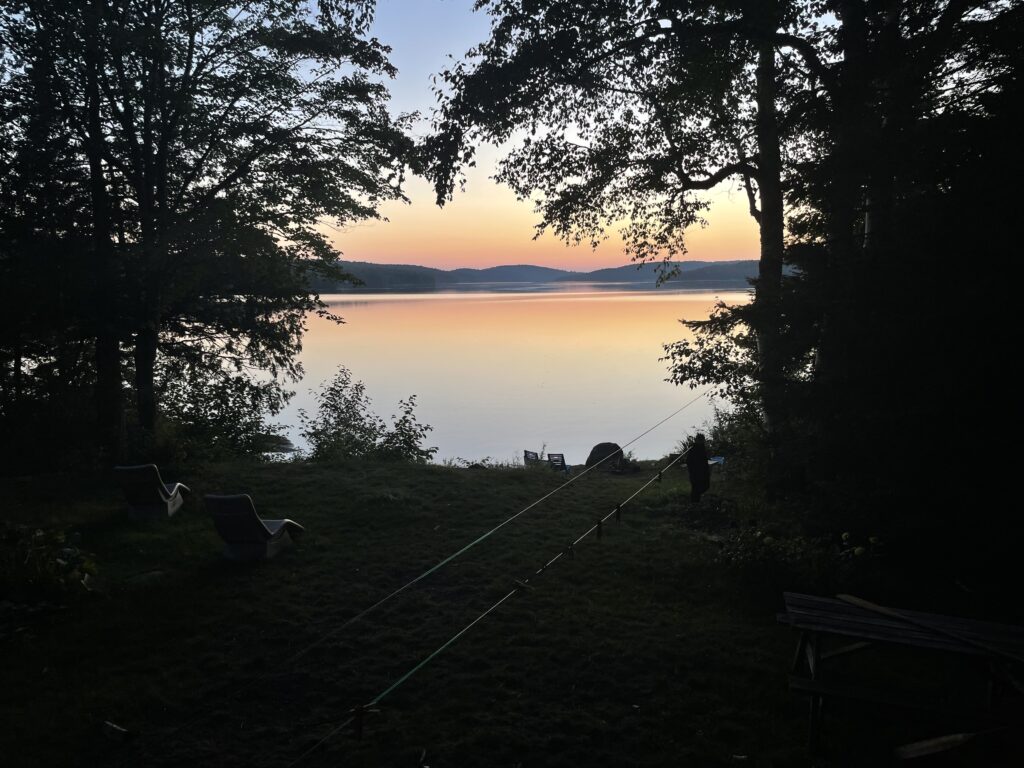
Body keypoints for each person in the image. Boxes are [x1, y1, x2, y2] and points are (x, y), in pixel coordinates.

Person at [685, 434, 711, 502]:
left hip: (703, 473)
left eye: (702, 440)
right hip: (696, 474)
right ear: (697, 440)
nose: (702, 441)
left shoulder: (702, 448)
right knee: (696, 490)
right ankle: (694, 505)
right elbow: (688, 461)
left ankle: (695, 503)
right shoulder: (693, 449)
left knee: (702, 488)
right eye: (700, 440)